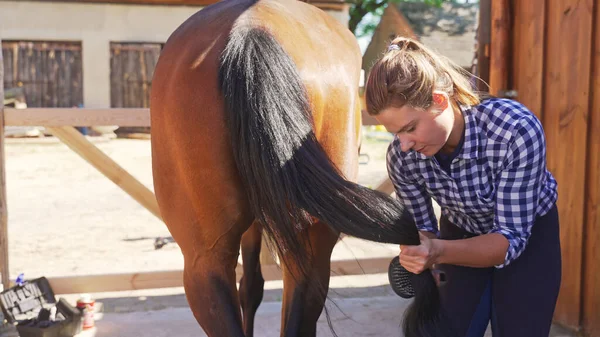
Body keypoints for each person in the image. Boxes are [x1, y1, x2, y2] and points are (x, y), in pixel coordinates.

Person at [365, 37, 561, 337]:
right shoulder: (402, 157)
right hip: (460, 228)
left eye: (410, 128)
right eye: (394, 133)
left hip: (527, 235)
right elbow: (423, 231)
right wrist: (418, 250)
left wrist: (437, 250)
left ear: (439, 101)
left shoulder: (514, 130)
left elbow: (508, 240)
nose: (404, 146)